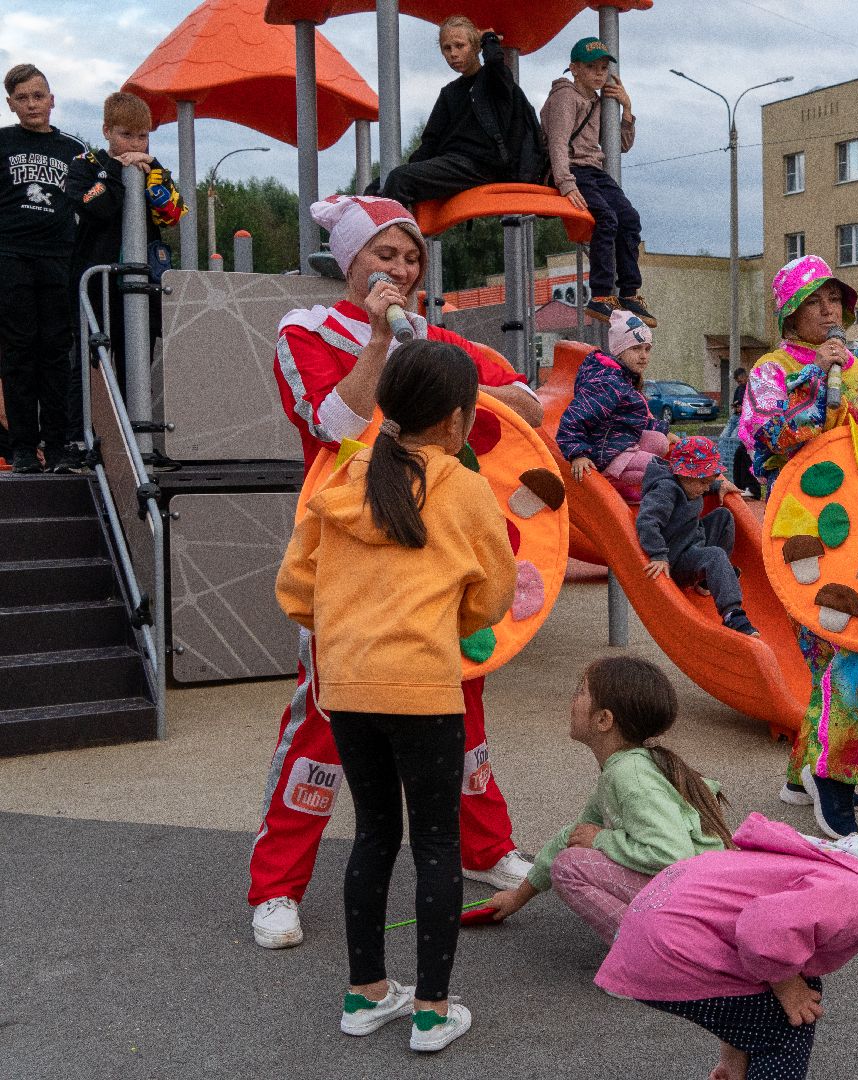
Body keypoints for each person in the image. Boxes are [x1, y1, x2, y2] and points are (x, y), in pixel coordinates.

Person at [251, 195, 541, 952]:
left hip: (436, 551)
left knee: (462, 702)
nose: (403, 270)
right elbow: (334, 426)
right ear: (351, 260)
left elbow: (526, 408)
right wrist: (382, 342)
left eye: (412, 258)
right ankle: (276, 886)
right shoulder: (303, 332)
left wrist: (481, 391)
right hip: (348, 549)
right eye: (387, 255)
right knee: (321, 721)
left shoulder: (439, 336)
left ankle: (485, 849)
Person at [275, 339, 517, 1052]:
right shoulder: (461, 485)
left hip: (347, 690)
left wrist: (350, 629)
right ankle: (434, 1011)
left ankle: (366, 994)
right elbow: (494, 594)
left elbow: (295, 590)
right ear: (454, 420)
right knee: (437, 843)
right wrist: (450, 625)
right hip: (423, 687)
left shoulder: (346, 477)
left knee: (374, 836)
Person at [595, 808, 858, 1080]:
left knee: (796, 987)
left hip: (656, 925)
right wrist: (787, 986)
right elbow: (763, 932)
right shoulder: (857, 894)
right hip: (672, 950)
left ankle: (737, 1067)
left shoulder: (842, 859)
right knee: (789, 1022)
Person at [739, 255, 858, 838]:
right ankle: (833, 779)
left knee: (848, 642)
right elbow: (765, 441)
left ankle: (806, 774)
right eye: (816, 302)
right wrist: (817, 381)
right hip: (801, 531)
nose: (830, 312)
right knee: (840, 645)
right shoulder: (770, 371)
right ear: (791, 313)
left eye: (835, 300)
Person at [484, 656, 731, 943]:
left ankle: (649, 953)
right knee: (573, 853)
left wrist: (602, 840)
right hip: (697, 892)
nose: (572, 700)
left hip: (699, 900)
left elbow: (673, 854)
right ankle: (657, 945)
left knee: (571, 867)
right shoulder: (621, 768)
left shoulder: (630, 776)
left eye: (581, 691)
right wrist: (517, 897)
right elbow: (573, 834)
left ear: (603, 720)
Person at [64, 92, 185, 394]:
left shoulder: (152, 170)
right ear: (107, 131)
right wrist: (117, 172)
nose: (134, 143)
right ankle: (86, 435)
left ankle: (139, 435)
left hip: (141, 283)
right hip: (97, 285)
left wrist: (151, 170)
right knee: (92, 362)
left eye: (142, 136)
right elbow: (94, 205)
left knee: (138, 361)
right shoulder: (85, 165)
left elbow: (173, 215)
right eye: (126, 134)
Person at [0, 64, 85, 474]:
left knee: (55, 353)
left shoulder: (72, 149)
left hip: (58, 258)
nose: (33, 104)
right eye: (23, 98)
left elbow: (99, 183)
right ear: (11, 104)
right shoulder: (2, 143)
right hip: (11, 256)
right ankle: (21, 448)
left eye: (39, 96)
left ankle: (57, 447)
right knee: (19, 353)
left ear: (52, 99)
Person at [371, 18, 543, 209]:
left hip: (483, 165)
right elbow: (430, 144)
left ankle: (392, 238)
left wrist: (488, 38)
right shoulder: (449, 92)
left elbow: (494, 60)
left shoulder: (495, 80)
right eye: (447, 48)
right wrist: (398, 174)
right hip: (452, 165)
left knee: (399, 179)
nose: (453, 54)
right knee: (381, 184)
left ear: (476, 47)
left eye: (460, 46)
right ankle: (391, 234)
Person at [541, 37, 653, 326]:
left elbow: (620, 146)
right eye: (592, 67)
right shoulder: (565, 98)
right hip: (573, 170)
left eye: (603, 68)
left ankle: (629, 292)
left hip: (595, 171)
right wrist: (566, 183)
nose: (600, 73)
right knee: (606, 217)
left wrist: (627, 109)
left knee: (629, 218)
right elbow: (557, 142)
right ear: (574, 68)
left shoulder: (598, 102)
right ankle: (601, 295)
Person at [636, 436, 758, 636]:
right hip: (676, 559)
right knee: (716, 555)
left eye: (709, 482)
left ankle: (707, 581)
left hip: (693, 540)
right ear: (683, 474)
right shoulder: (665, 490)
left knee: (723, 516)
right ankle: (732, 616)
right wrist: (658, 554)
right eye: (703, 482)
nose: (705, 488)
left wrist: (719, 486)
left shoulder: (689, 483)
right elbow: (647, 521)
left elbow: (701, 486)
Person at [556, 307, 667, 500]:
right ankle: (612, 479)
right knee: (663, 471)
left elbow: (632, 418)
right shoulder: (607, 383)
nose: (643, 356)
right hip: (604, 453)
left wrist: (661, 428)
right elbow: (573, 419)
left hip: (618, 443)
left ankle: (620, 482)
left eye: (647, 349)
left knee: (660, 441)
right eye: (635, 348)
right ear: (619, 351)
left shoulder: (623, 378)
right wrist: (578, 453)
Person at [722, 367, 760, 497]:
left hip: (751, 425)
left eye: (741, 380)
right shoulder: (740, 389)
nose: (740, 383)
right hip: (744, 420)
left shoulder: (753, 388)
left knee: (745, 453)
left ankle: (753, 489)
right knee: (739, 452)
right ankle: (740, 487)